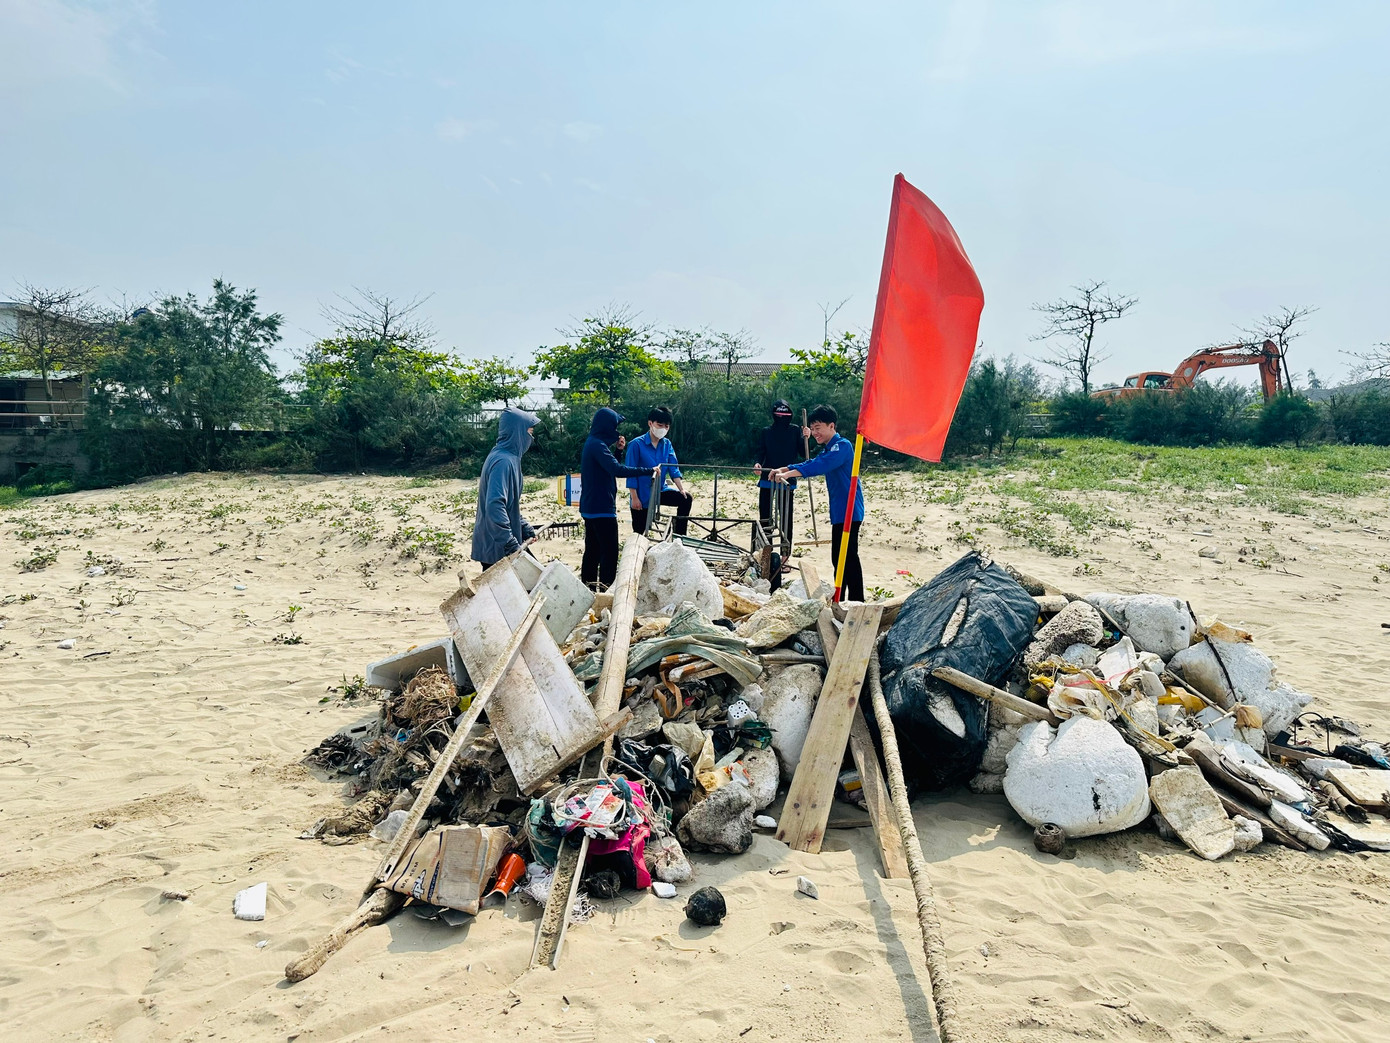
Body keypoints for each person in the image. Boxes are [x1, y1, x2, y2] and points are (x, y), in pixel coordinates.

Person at [769, 403, 865, 602]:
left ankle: (856, 600)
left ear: (832, 426)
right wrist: (784, 468)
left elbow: (820, 466)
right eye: (812, 429)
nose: (814, 433)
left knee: (848, 559)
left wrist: (787, 473)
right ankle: (843, 599)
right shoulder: (829, 448)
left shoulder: (842, 446)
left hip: (849, 511)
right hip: (839, 511)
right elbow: (810, 463)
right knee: (839, 559)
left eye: (818, 428)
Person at [580, 406, 659, 589]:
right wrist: (649, 470)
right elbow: (617, 470)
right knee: (609, 552)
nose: (616, 431)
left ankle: (588, 587)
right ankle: (607, 588)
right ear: (606, 426)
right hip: (601, 508)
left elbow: (609, 468)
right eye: (614, 426)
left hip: (591, 506)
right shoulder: (597, 446)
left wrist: (618, 451)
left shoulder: (594, 443)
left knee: (593, 550)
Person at [470, 405, 540, 569]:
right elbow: (495, 505)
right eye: (529, 432)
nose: (531, 437)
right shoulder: (503, 461)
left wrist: (523, 527)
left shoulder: (510, 458)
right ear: (518, 433)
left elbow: (510, 504)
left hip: (500, 543)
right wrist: (508, 542)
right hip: (496, 546)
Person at [625, 406, 692, 535]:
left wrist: (681, 488)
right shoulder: (636, 444)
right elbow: (630, 473)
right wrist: (634, 497)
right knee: (640, 532)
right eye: (660, 425)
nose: (663, 429)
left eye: (666, 426)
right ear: (650, 423)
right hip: (642, 494)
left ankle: (679, 536)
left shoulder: (667, 444)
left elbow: (673, 468)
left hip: (660, 491)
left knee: (686, 498)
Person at [753, 399, 801, 552]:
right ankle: (765, 552)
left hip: (787, 477)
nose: (781, 418)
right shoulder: (767, 431)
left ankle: (785, 555)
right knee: (765, 515)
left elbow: (804, 453)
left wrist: (807, 437)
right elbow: (760, 452)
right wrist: (757, 463)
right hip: (768, 477)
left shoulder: (795, 431)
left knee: (786, 518)